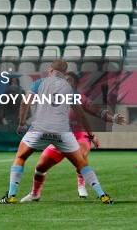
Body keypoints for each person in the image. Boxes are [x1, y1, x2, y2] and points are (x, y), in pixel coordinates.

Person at [0, 59, 113, 204]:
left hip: (39, 130)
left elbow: (24, 102)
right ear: (64, 73)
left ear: (50, 70)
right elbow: (81, 114)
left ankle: (11, 196)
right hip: (62, 132)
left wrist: (21, 123)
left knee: (21, 157)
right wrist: (90, 135)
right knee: (81, 164)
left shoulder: (39, 83)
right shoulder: (69, 88)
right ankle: (102, 195)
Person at [20, 71, 126, 202]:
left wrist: (114, 118)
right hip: (59, 139)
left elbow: (98, 111)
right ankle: (35, 194)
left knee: (80, 158)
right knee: (40, 167)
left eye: (70, 80)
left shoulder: (79, 97)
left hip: (79, 136)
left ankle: (85, 188)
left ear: (75, 84)